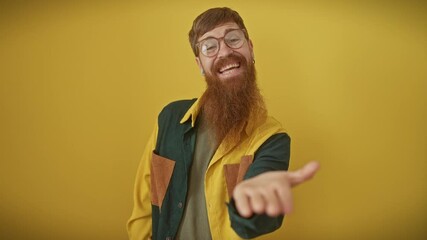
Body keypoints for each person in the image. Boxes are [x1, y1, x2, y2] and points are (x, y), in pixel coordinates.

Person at [127, 7, 320, 240]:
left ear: (250, 48)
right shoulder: (169, 119)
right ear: (200, 64)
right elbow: (145, 205)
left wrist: (251, 202)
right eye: (210, 46)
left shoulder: (271, 138)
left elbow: (253, 221)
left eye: (233, 39)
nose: (225, 51)